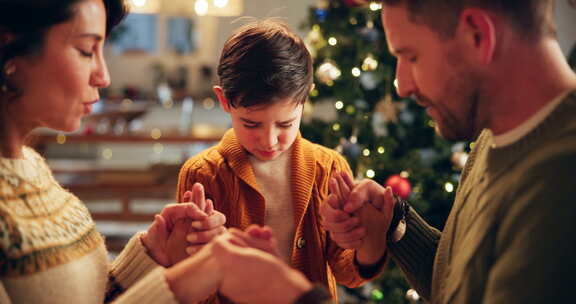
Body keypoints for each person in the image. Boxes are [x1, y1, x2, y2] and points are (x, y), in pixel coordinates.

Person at [320, 0, 576, 303]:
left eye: (411, 56)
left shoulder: (562, 178)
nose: (401, 86)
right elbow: (462, 287)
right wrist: (392, 223)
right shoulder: (491, 139)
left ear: (477, 34)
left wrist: (293, 296)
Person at [0, 0, 226, 302]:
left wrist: (153, 257)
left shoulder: (30, 166)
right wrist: (177, 287)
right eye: (85, 50)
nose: (103, 77)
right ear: (9, 50)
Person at [175, 19, 383, 302]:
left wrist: (369, 242)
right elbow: (188, 282)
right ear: (224, 101)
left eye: (285, 124)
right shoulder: (203, 173)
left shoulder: (329, 168)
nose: (269, 140)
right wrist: (199, 257)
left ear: (304, 101)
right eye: (251, 124)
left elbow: (348, 273)